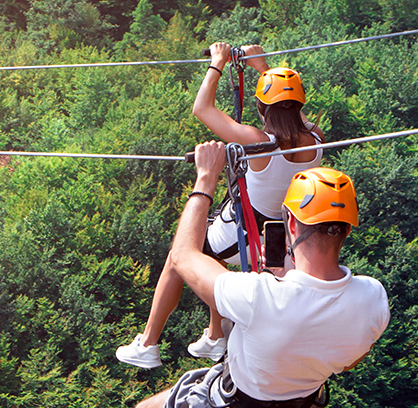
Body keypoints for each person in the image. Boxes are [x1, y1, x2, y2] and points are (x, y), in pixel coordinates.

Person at [128, 141, 390, 408]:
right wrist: (286, 280)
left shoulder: (258, 296)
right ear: (347, 230)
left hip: (232, 406)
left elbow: (182, 256)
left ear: (291, 223)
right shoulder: (373, 300)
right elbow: (347, 360)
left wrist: (206, 177)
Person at [116, 42, 326, 368]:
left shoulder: (258, 142)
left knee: (179, 256)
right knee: (214, 259)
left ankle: (148, 343)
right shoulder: (317, 139)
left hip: (246, 229)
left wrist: (217, 63)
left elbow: (202, 109)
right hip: (279, 235)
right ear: (299, 104)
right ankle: (216, 336)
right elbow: (291, 111)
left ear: (261, 107)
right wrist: (262, 67)